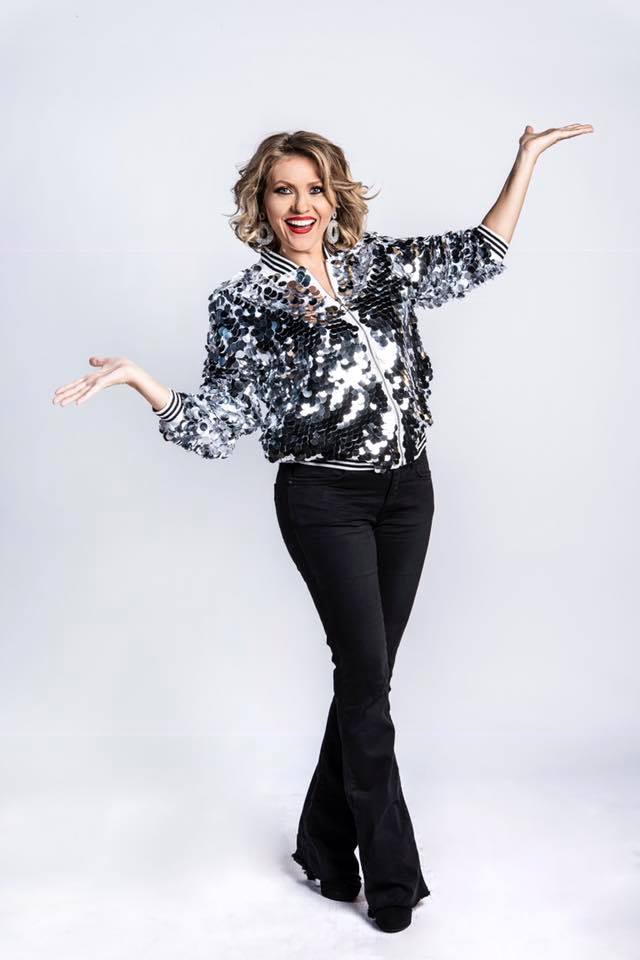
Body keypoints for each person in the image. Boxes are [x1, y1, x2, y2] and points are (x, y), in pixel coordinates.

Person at [52, 123, 594, 934]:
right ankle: (392, 875)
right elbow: (216, 424)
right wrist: (141, 382)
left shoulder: (379, 265)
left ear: (336, 197)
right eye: (283, 190)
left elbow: (479, 256)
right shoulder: (246, 301)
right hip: (323, 499)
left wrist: (525, 161)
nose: (300, 205)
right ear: (262, 203)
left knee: (367, 681)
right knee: (366, 683)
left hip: (408, 493)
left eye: (314, 189)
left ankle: (322, 844)